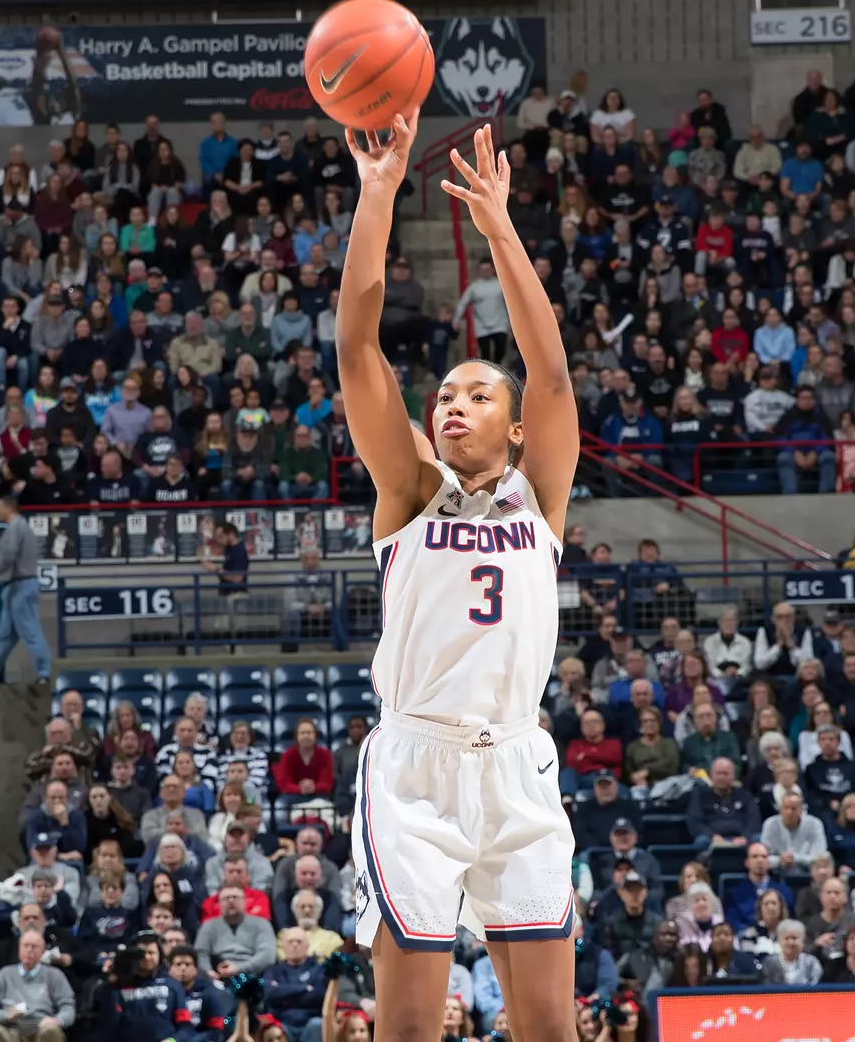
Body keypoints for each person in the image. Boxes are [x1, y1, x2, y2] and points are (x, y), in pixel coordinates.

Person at [337, 116, 581, 1040]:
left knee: (550, 1030)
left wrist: (502, 231)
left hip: (518, 760)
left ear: (515, 429)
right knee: (407, 1030)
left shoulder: (538, 497)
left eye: (479, 394)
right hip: (416, 772)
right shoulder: (406, 492)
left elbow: (552, 375)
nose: (453, 404)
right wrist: (378, 192)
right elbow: (359, 351)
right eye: (444, 393)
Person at [0, 496, 51, 684]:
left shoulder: (16, 527)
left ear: (8, 508)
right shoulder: (20, 527)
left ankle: (44, 673)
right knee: (4, 635)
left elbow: (9, 553)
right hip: (14, 587)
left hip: (20, 585)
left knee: (30, 630)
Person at [0, 929, 76, 1042]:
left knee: (51, 1032)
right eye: (25, 946)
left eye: (34, 946)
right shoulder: (5, 974)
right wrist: (5, 1015)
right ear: (19, 950)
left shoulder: (54, 975)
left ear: (42, 951)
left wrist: (57, 1020)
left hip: (42, 1028)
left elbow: (68, 1007)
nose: (29, 950)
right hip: (12, 1029)